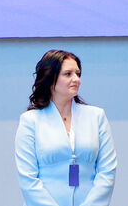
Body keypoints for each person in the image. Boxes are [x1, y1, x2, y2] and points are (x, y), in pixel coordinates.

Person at [14, 50, 117, 206]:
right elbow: (28, 178)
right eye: (68, 74)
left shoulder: (96, 116)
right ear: (50, 78)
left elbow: (107, 170)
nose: (76, 79)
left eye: (78, 74)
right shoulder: (30, 121)